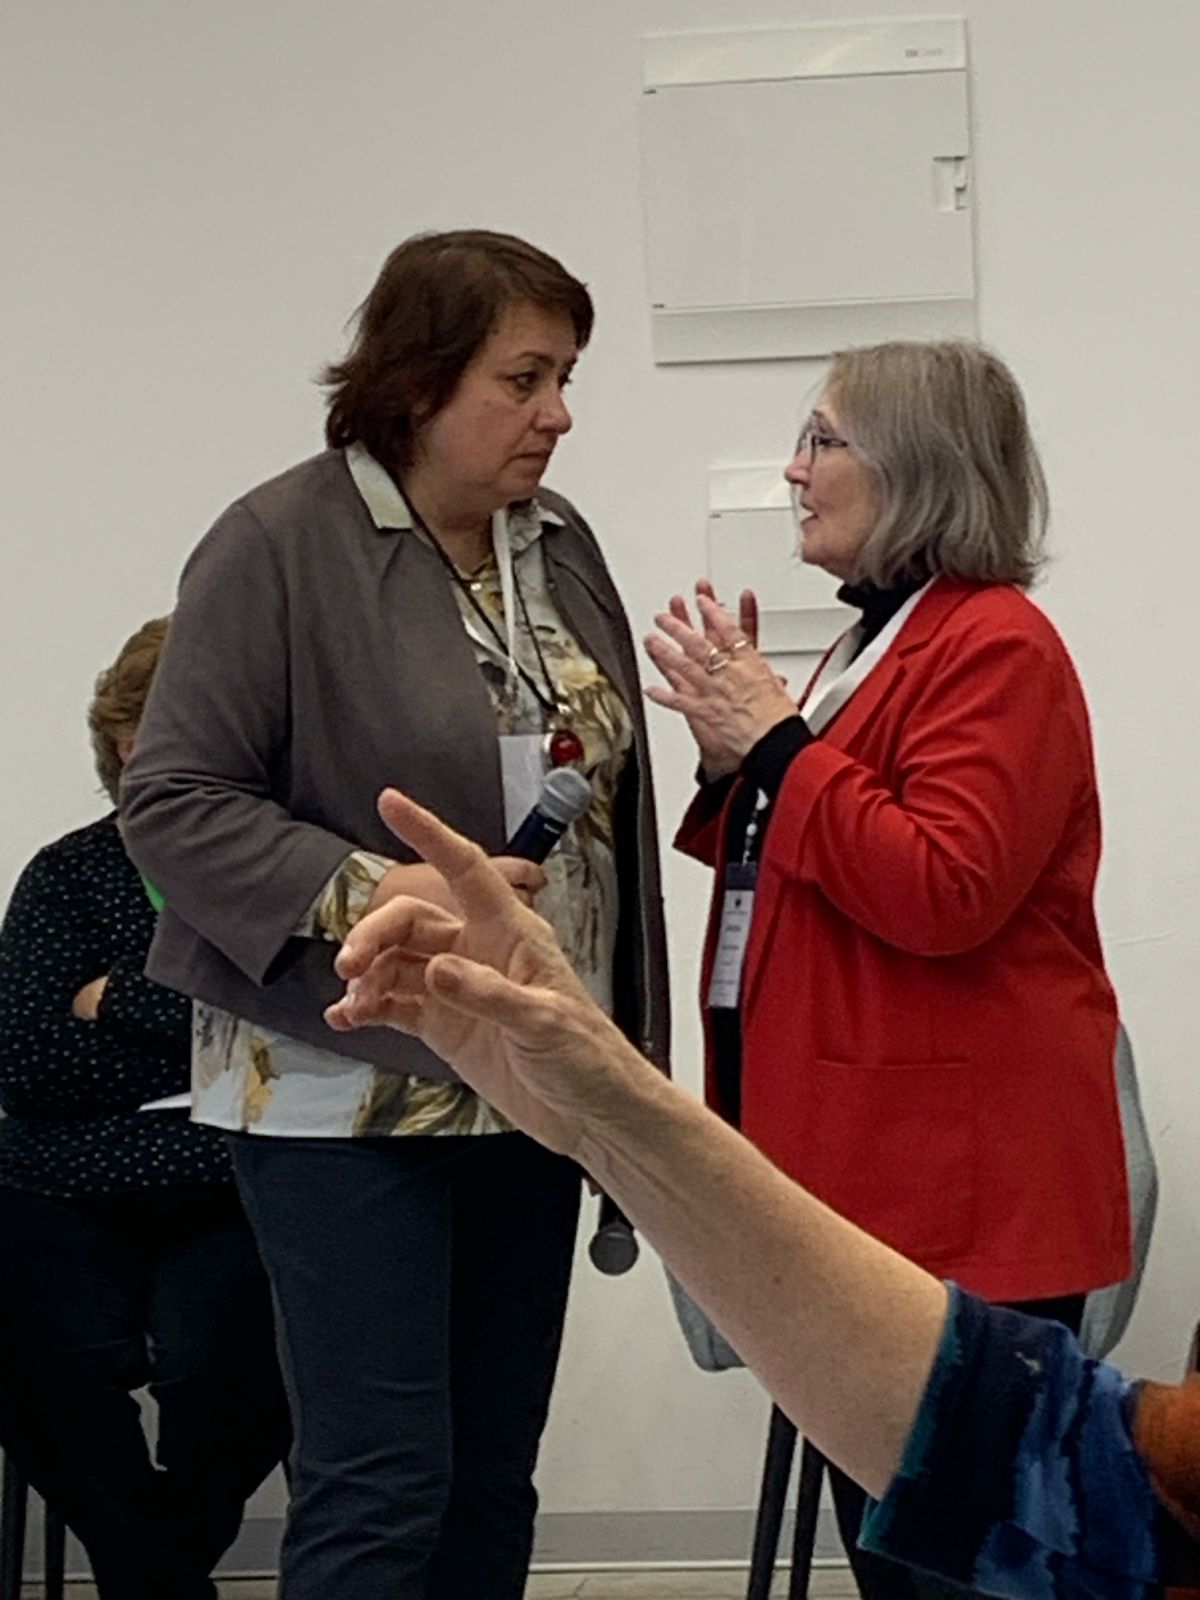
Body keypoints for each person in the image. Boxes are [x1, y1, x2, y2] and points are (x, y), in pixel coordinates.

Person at [120, 230, 669, 1600]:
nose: (558, 413)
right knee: (381, 1479)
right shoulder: (277, 543)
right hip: (347, 1084)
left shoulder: (556, 539)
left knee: (489, 1473)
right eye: (524, 379)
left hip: (529, 1070)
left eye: (566, 377)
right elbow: (172, 801)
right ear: (419, 380)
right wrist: (375, 887)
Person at [326, 787, 1200, 1600]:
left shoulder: (984, 673)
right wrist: (607, 1117)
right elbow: (1102, 1486)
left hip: (979, 1192)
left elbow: (1093, 1497)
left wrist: (781, 747)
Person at [641, 339, 1132, 1597]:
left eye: (821, 441)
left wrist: (778, 745)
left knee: (953, 1574)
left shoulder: (996, 645)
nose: (793, 472)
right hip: (873, 1185)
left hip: (959, 1201)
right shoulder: (882, 642)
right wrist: (736, 760)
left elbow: (941, 888)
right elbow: (821, 855)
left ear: (916, 467)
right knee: (902, 1558)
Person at [0, 618, 288, 1600]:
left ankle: (149, 1574)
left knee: (227, 1353)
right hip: (63, 1186)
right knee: (39, 1341)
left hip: (236, 1181)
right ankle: (158, 1580)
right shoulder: (69, 875)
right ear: (130, 746)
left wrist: (117, 998)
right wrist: (207, 1035)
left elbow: (289, 1030)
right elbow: (29, 1064)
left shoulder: (279, 878)